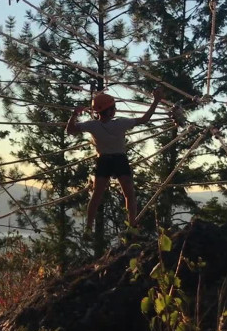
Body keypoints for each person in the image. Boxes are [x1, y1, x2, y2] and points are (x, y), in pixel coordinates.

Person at [66, 87, 164, 234]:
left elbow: (70, 130)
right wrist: (156, 101)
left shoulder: (92, 125)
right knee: (129, 194)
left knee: (97, 195)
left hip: (103, 161)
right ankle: (132, 226)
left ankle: (88, 228)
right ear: (110, 110)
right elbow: (145, 119)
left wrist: (74, 115)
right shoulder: (121, 123)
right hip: (119, 160)